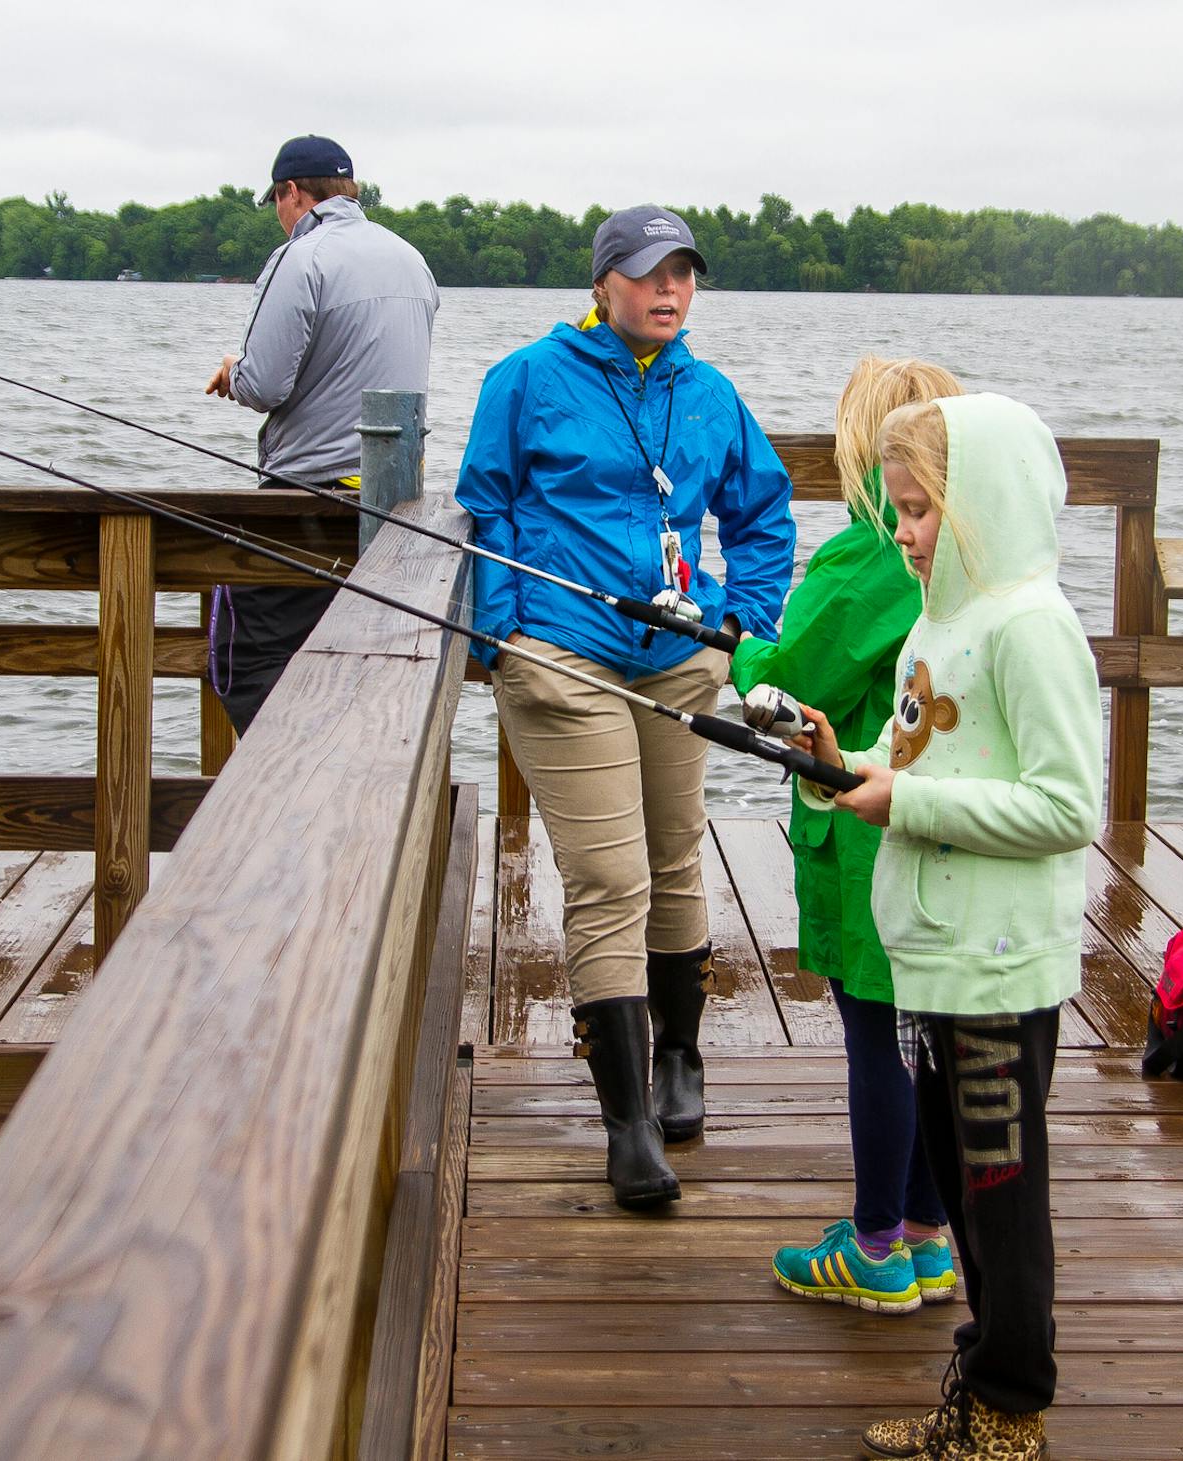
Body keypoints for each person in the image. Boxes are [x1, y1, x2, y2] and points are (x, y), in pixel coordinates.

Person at [779, 393, 1100, 1461]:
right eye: (900, 510)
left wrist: (902, 805)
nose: (902, 531)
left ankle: (1013, 1411)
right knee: (962, 1187)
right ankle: (982, 1383)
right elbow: (917, 754)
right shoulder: (939, 618)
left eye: (917, 512)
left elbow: (1067, 809)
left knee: (1003, 1202)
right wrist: (845, 761)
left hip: (1000, 967)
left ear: (981, 506)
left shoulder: (1031, 629)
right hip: (937, 960)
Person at [456, 206, 795, 1208]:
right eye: (649, 274)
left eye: (684, 274)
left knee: (674, 851)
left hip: (681, 660)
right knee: (610, 876)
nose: (669, 291)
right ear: (604, 284)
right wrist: (504, 639)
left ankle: (681, 1059)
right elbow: (486, 509)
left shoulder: (710, 393)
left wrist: (743, 626)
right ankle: (627, 1120)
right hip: (566, 662)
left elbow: (763, 515)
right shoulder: (526, 380)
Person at [731, 358, 964, 1316]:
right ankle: (925, 1235)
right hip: (947, 833)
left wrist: (741, 641)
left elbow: (791, 677)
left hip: (873, 834)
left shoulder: (869, 550)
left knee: (879, 1034)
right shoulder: (961, 543)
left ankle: (872, 1247)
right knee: (933, 1037)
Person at [203, 134, 439, 732]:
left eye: (278, 203)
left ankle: (277, 792)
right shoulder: (409, 257)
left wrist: (236, 372)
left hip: (309, 499)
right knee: (359, 665)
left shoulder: (300, 258)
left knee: (240, 656)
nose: (280, 219)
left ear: (291, 193)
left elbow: (264, 387)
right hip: (394, 505)